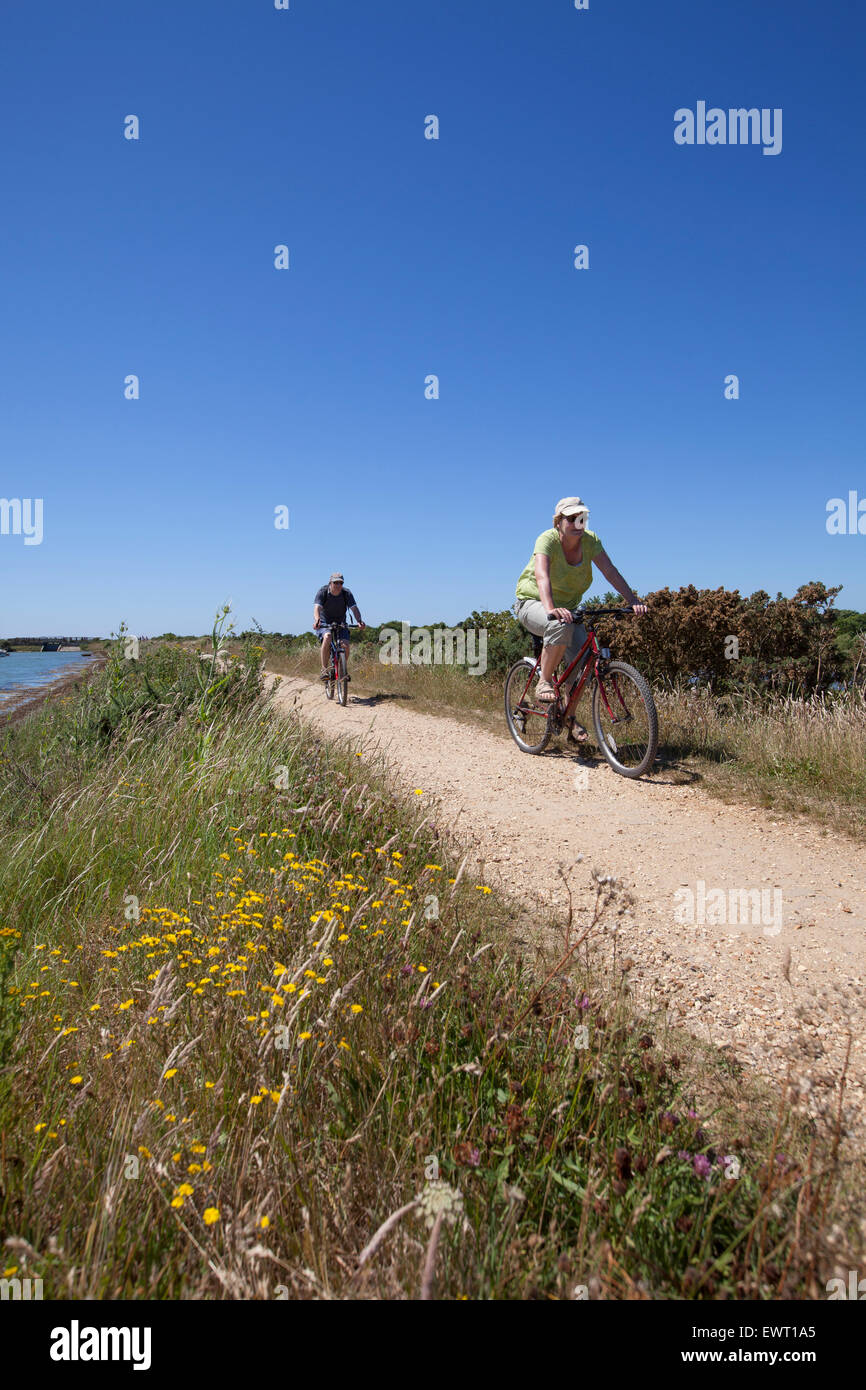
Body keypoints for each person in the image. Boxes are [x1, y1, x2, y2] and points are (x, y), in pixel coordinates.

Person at [514, 497, 647, 739]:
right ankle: (544, 681)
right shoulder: (548, 539)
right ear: (558, 521)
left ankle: (568, 716)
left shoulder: (590, 541)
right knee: (559, 625)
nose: (578, 523)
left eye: (581, 518)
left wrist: (633, 601)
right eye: (571, 518)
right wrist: (551, 608)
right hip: (533, 602)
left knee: (585, 662)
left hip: (568, 610)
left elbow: (610, 571)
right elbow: (542, 576)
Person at [313, 573, 366, 681]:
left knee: (345, 645)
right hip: (325, 621)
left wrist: (359, 621)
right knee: (327, 637)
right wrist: (317, 621)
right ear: (330, 583)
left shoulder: (346, 593)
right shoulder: (323, 592)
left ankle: (342, 671)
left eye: (340, 583)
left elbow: (354, 609)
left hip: (340, 622)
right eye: (335, 582)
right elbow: (317, 608)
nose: (338, 585)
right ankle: (324, 669)